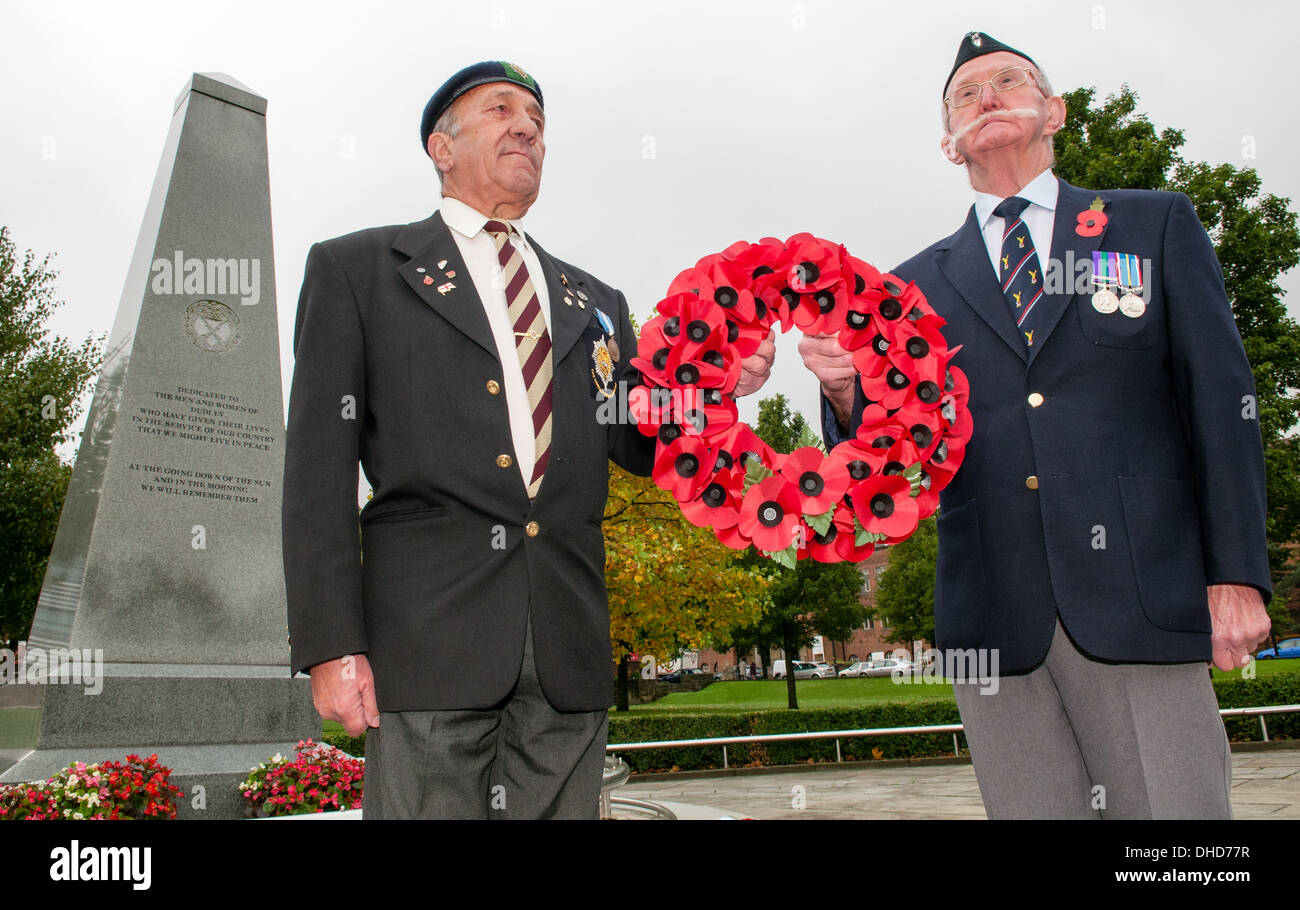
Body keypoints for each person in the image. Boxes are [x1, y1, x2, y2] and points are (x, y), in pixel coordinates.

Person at [797, 32, 1272, 818]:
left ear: (1053, 111)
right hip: (994, 622)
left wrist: (1236, 575)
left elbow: (1222, 407)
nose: (986, 95)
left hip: (1144, 599)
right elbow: (884, 471)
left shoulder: (1151, 226)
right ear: (949, 145)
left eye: (1008, 81)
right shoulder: (905, 289)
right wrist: (849, 392)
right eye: (964, 94)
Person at [282, 61, 775, 819]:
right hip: (429, 644)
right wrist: (329, 644)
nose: (527, 128)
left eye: (539, 122)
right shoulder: (358, 270)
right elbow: (316, 472)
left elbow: (638, 438)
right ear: (440, 150)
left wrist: (716, 382)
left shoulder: (596, 300)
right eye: (501, 110)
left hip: (567, 644)